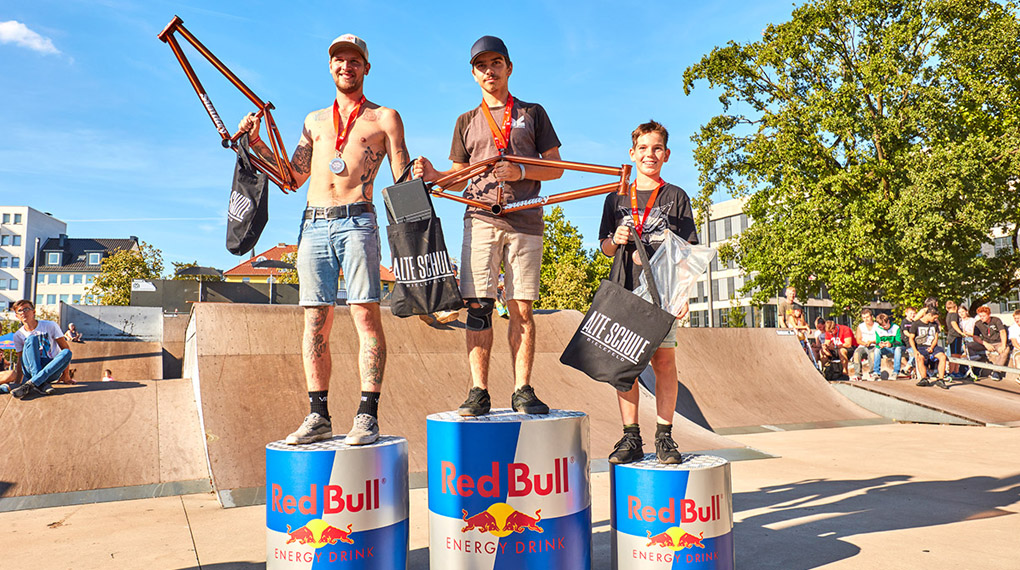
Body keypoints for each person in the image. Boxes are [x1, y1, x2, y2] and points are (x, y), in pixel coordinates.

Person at [238, 34, 410, 445]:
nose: (345, 67)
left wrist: (413, 237)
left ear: (366, 67)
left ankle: (367, 414)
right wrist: (256, 141)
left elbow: (403, 180)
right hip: (313, 224)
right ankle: (318, 414)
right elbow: (292, 177)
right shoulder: (314, 121)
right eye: (339, 60)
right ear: (330, 67)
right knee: (315, 319)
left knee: (365, 315)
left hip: (358, 221)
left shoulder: (385, 117)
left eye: (354, 61)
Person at [414, 36, 563, 416]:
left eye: (496, 63)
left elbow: (557, 167)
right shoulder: (466, 120)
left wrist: (522, 170)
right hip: (480, 218)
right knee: (478, 307)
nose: (489, 70)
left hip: (525, 219)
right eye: (481, 65)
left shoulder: (533, 112)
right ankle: (478, 391)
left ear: (509, 68)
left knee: (522, 309)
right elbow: (458, 175)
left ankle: (523, 389)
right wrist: (434, 174)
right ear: (473, 73)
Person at [595, 120, 698, 465]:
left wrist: (683, 293)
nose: (649, 154)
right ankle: (631, 436)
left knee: (664, 362)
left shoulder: (676, 197)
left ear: (666, 154)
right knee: (623, 365)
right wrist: (615, 241)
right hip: (624, 288)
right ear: (632, 153)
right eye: (643, 148)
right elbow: (605, 248)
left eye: (656, 148)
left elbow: (687, 250)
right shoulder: (617, 197)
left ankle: (665, 437)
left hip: (663, 292)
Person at [0, 300, 72, 399]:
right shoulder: (18, 335)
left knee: (67, 352)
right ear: (17, 316)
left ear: (34, 312)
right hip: (30, 369)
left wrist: (66, 375)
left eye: (26, 309)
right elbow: (21, 359)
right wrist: (17, 382)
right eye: (20, 311)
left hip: (50, 369)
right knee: (32, 339)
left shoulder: (50, 325)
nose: (23, 313)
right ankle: (37, 382)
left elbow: (65, 347)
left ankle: (32, 383)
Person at [908, 308, 948, 389]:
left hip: (933, 346)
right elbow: (911, 338)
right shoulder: (916, 324)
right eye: (934, 317)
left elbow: (936, 338)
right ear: (929, 315)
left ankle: (940, 379)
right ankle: (924, 378)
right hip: (921, 346)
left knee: (942, 356)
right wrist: (915, 351)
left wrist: (932, 347)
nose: (935, 319)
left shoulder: (934, 324)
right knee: (920, 358)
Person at [973, 306, 1009, 381]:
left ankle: (997, 371)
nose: (982, 317)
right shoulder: (978, 323)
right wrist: (985, 343)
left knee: (1005, 350)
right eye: (980, 316)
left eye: (984, 316)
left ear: (989, 315)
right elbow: (975, 337)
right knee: (968, 346)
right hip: (986, 342)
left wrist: (1003, 345)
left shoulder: (996, 320)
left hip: (997, 342)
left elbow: (1002, 332)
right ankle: (974, 365)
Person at [872, 313, 903, 380]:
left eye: (885, 325)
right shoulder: (878, 329)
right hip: (885, 348)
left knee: (898, 349)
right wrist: (880, 344)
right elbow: (877, 342)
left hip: (894, 347)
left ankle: (896, 372)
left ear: (888, 321)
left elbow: (899, 342)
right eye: (882, 326)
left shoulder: (896, 328)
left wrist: (891, 344)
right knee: (877, 350)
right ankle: (876, 372)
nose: (884, 327)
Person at [852, 309, 878, 380]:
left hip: (873, 345)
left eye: (867, 317)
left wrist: (871, 342)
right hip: (863, 345)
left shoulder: (877, 326)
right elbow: (858, 340)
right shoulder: (861, 326)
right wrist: (865, 343)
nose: (866, 319)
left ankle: (872, 373)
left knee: (872, 354)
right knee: (856, 354)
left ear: (871, 317)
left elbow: (879, 339)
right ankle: (858, 374)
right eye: (864, 318)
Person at [945, 301, 965, 378]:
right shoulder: (954, 314)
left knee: (957, 354)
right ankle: (952, 371)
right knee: (955, 355)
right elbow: (954, 323)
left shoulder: (948, 315)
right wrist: (961, 332)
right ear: (956, 307)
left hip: (952, 335)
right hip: (955, 336)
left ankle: (956, 371)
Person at [900, 306, 918, 377]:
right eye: (911, 313)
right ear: (906, 313)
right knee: (913, 353)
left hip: (915, 342)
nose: (912, 315)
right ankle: (906, 368)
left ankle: (910, 369)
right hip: (907, 342)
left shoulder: (915, 322)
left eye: (914, 313)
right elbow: (905, 332)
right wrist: (911, 336)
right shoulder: (904, 322)